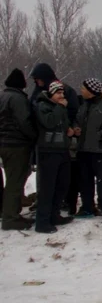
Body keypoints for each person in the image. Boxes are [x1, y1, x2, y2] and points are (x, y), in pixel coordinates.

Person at [74, 78, 102, 221]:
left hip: (100, 150)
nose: (81, 90)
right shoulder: (83, 105)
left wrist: (100, 136)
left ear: (91, 91)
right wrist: (76, 128)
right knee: (85, 181)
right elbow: (77, 120)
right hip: (83, 149)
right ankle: (87, 207)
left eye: (83, 88)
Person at [34, 81, 75, 233]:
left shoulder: (60, 108)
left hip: (62, 149)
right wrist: (60, 107)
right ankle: (42, 222)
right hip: (48, 151)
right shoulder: (42, 106)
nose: (61, 96)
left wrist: (70, 130)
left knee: (62, 184)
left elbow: (62, 124)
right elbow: (49, 122)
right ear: (51, 94)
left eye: (62, 93)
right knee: (47, 187)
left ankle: (54, 215)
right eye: (58, 93)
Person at [0, 69, 37, 231]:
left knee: (10, 180)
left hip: (4, 144)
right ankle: (10, 218)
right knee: (15, 182)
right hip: (17, 145)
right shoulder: (18, 99)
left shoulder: (2, 96)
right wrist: (34, 136)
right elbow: (24, 122)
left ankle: (7, 212)